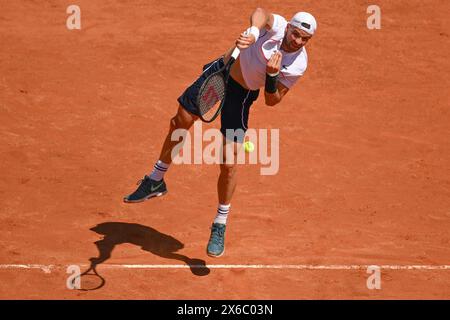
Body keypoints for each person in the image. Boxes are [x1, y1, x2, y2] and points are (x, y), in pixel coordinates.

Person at [124, 8, 317, 258]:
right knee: (180, 120)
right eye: (296, 34)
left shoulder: (298, 64)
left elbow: (273, 100)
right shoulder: (277, 26)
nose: (297, 41)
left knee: (228, 163)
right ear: (289, 27)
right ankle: (156, 179)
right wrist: (253, 31)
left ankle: (220, 223)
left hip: (243, 94)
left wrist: (271, 77)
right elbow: (261, 13)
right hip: (222, 70)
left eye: (305, 39)